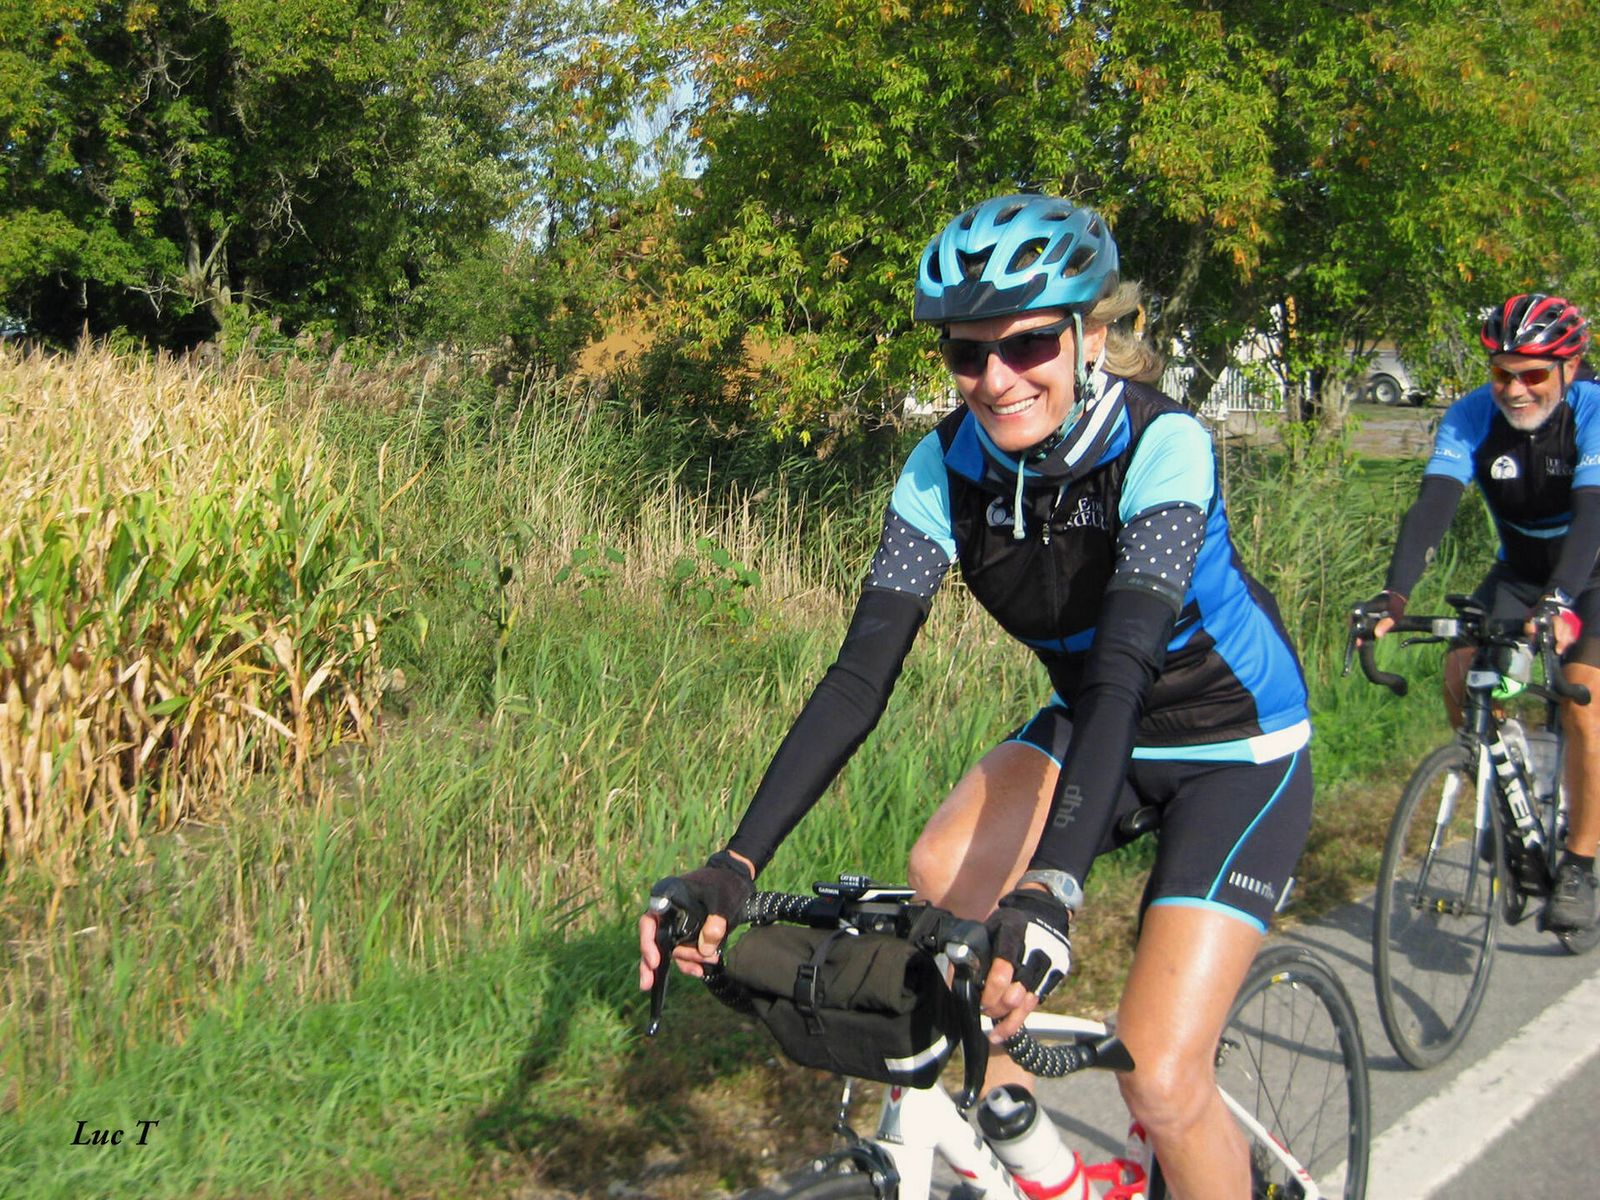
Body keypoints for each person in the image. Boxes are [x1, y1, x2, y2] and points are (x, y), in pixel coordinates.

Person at [638, 193, 1313, 1198]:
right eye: (967, 353)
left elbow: (1125, 664)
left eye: (1029, 343)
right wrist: (735, 863)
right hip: (1096, 724)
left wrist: (1052, 890)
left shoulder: (1162, 445)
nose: (997, 380)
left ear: (1091, 335)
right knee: (944, 882)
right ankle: (1043, 1160)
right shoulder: (942, 469)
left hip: (1234, 747)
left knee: (1162, 1075)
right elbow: (859, 678)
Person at [1355, 293, 1600, 930]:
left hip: (1592, 573)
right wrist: (1394, 596)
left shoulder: (1594, 410)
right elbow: (1432, 506)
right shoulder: (1470, 417)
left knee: (1585, 700)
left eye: (1533, 375)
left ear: (1570, 368)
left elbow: (1592, 518)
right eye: (1502, 374)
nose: (1515, 390)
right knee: (1461, 671)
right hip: (1520, 572)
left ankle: (1580, 864)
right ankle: (1504, 790)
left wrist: (1560, 602)